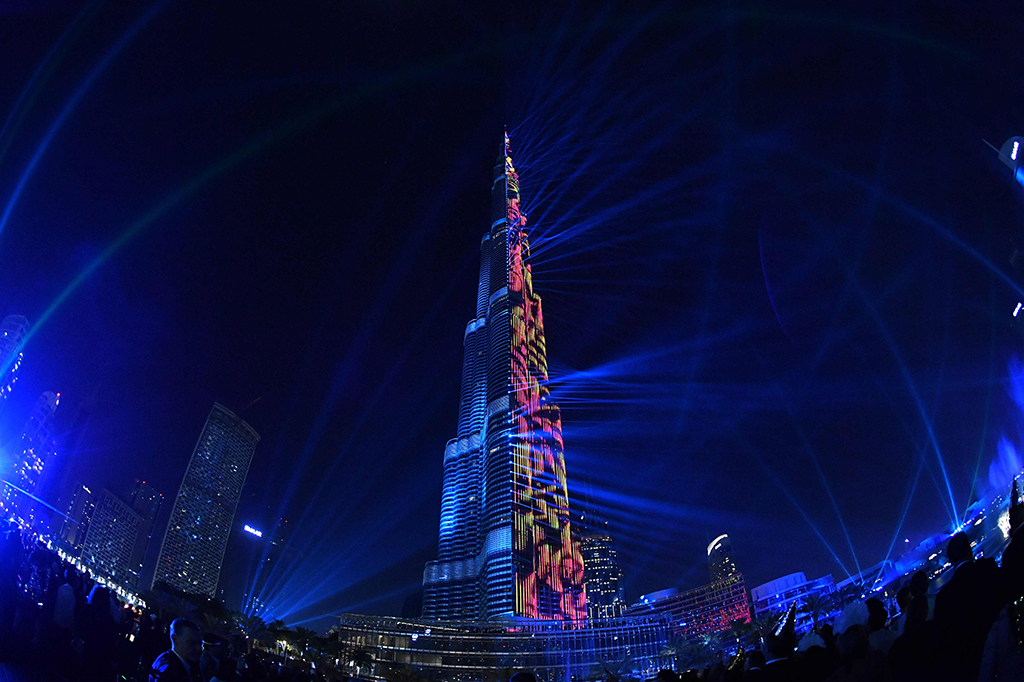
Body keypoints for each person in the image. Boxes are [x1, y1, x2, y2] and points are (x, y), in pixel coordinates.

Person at [933, 532, 1004, 681]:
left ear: (951, 560)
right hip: (1002, 647)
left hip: (970, 666)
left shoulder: (944, 597)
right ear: (969, 551)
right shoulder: (987, 569)